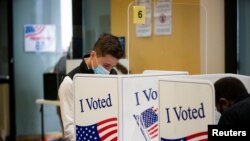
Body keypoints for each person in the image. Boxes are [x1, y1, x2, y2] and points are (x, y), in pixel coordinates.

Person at [58, 33, 124, 141]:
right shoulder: (69, 83)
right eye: (106, 65)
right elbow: (70, 129)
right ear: (93, 55)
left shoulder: (113, 75)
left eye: (112, 66)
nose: (108, 71)